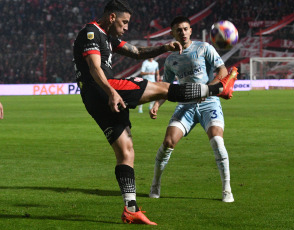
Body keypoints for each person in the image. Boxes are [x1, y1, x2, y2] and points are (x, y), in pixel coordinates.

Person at [73, 0, 237, 225]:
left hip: (95, 100)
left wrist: (164, 47)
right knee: (165, 88)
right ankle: (218, 88)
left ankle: (130, 209)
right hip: (104, 89)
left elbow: (138, 52)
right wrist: (111, 91)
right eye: (124, 22)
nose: (126, 27)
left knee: (126, 152)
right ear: (112, 17)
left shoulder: (108, 37)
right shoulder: (91, 33)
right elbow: (94, 68)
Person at [149, 16, 237, 202]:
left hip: (209, 102)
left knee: (217, 141)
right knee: (168, 143)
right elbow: (166, 86)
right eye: (178, 30)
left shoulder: (204, 48)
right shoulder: (171, 59)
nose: (182, 32)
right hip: (185, 104)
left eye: (185, 29)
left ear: (190, 30)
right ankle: (155, 184)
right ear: (172, 33)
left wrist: (208, 88)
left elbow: (222, 71)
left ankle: (227, 189)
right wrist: (157, 103)